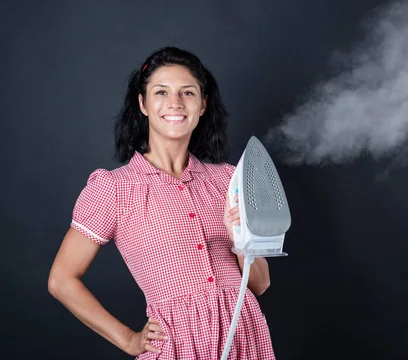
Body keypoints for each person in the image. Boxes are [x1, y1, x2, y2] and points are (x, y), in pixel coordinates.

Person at [48, 46, 275, 359]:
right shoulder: (114, 188)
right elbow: (61, 280)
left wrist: (240, 239)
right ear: (142, 104)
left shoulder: (229, 179)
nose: (175, 103)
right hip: (178, 344)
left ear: (203, 104)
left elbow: (260, 283)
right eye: (161, 92)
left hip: (245, 336)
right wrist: (128, 339)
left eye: (187, 92)